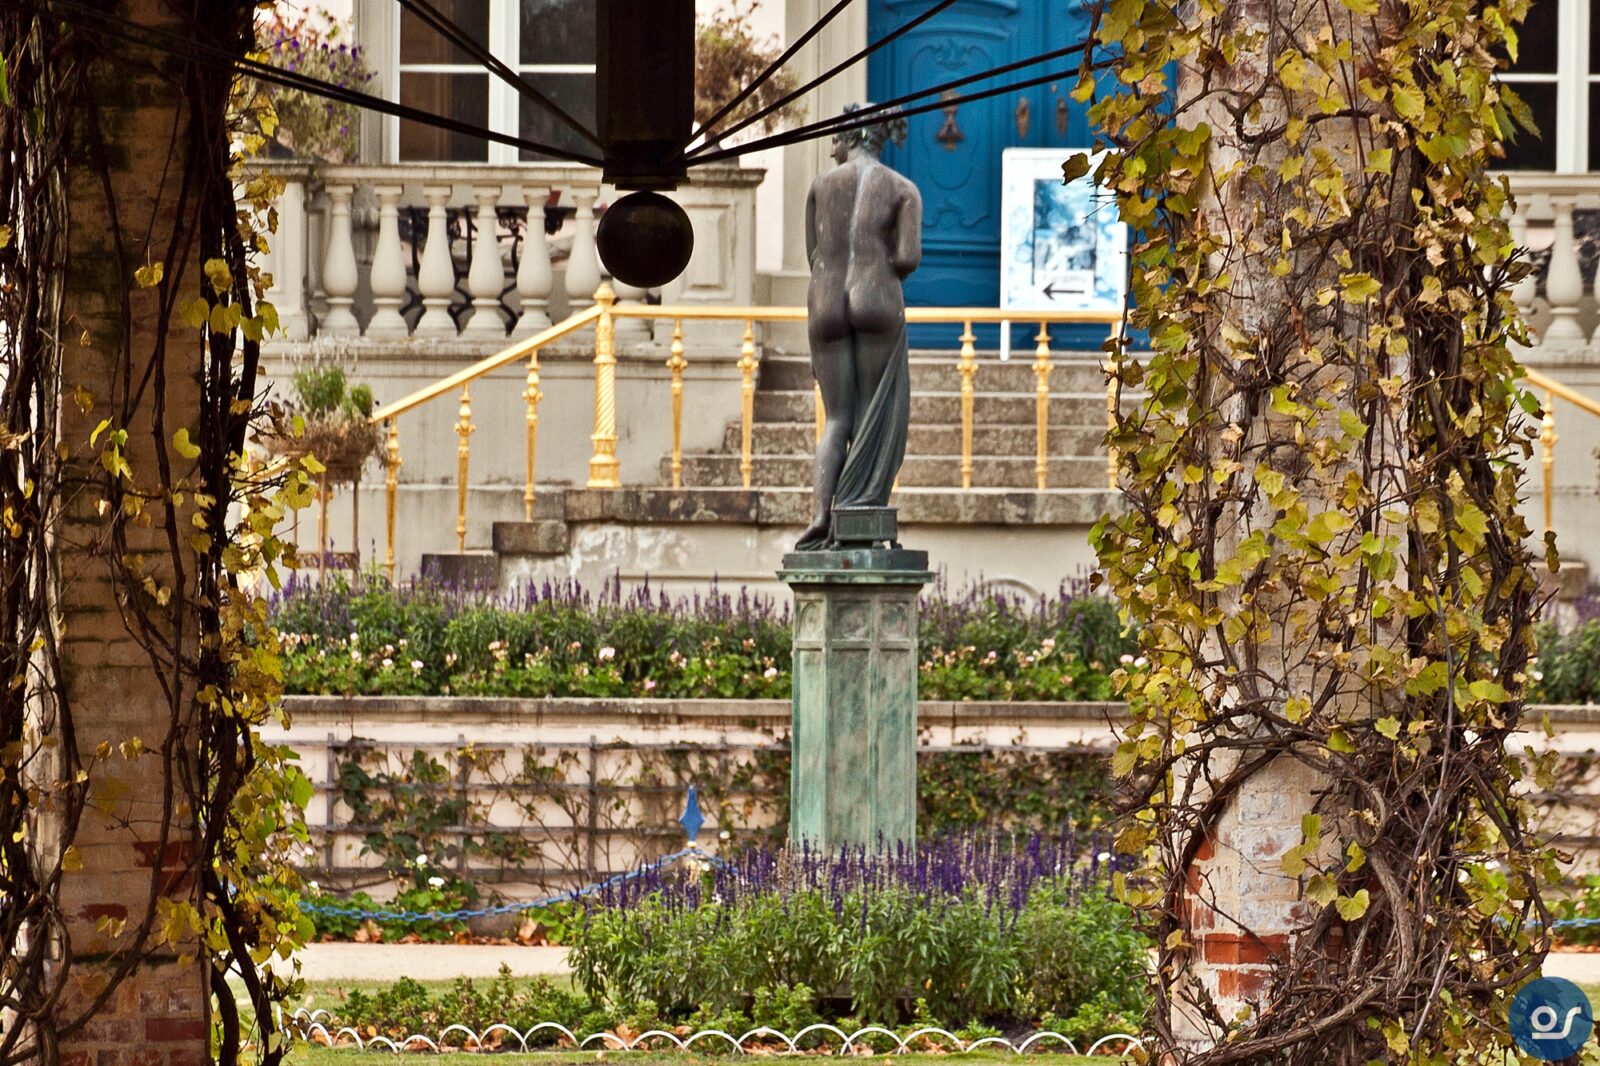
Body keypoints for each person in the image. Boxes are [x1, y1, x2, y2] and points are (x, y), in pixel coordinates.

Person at [795, 104, 922, 551]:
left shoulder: (820, 185)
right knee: (872, 414)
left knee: (837, 419)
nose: (831, 147)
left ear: (852, 136)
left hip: (825, 299)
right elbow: (907, 258)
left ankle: (819, 518)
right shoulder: (903, 188)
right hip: (876, 297)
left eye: (835, 137)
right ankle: (859, 514)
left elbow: (813, 254)